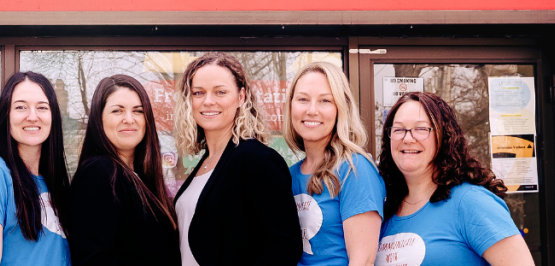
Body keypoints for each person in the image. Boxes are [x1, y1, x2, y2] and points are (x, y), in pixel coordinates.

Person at [172, 52, 302, 266]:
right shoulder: (205, 162)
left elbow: (285, 246)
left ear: (241, 97)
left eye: (220, 92)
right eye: (198, 93)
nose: (208, 101)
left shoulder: (258, 160)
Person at [376, 92, 535, 266]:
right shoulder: (384, 211)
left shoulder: (471, 202)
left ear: (443, 137)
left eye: (421, 129)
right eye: (398, 129)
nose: (407, 138)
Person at [68, 75, 180, 266]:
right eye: (117, 111)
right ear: (99, 118)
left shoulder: (139, 177)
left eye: (138, 111)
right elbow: (93, 259)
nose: (129, 119)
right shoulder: (100, 172)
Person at [0, 72, 72, 266]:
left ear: (53, 116)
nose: (32, 116)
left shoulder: (55, 182)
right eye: (21, 107)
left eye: (42, 107)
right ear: (6, 115)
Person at [284, 62, 384, 266]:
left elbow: (362, 261)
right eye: (303, 99)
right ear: (291, 105)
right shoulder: (289, 175)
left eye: (325, 101)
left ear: (341, 108)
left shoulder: (354, 169)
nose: (312, 110)